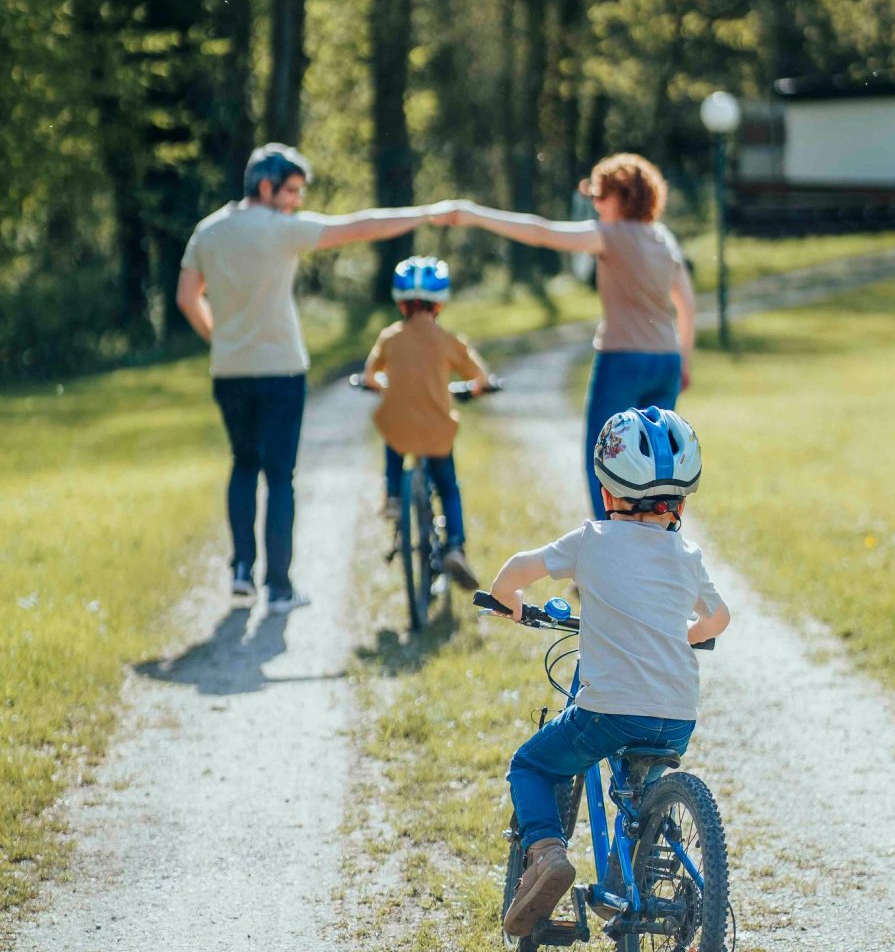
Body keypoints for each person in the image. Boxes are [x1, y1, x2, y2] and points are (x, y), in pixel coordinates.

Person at [488, 406, 730, 937]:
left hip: (609, 714)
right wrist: (680, 635)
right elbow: (718, 620)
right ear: (681, 504)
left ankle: (547, 854)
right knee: (639, 796)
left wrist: (510, 600)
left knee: (531, 765)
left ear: (605, 494)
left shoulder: (592, 540)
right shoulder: (687, 555)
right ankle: (629, 879)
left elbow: (517, 569)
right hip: (677, 717)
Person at [177, 143, 448, 612]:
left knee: (243, 465)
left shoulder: (208, 230)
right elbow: (359, 226)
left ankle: (241, 572)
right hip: (281, 370)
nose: (297, 202)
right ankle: (278, 588)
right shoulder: (281, 229)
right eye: (292, 191)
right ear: (266, 187)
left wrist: (219, 338)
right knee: (280, 476)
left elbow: (187, 297)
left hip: (230, 370)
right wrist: (423, 214)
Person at [433, 153, 696, 520]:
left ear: (623, 197)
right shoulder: (664, 238)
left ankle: (609, 545)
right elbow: (686, 304)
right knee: (658, 463)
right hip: (666, 361)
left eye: (601, 196)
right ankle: (655, 539)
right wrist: (685, 361)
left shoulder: (610, 235)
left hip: (622, 360)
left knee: (604, 459)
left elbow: (541, 232)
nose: (596, 204)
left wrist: (475, 214)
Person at [363, 255, 491, 591]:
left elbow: (370, 376)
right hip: (436, 431)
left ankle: (393, 494)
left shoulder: (389, 338)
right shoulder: (449, 340)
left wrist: (382, 384)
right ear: (439, 304)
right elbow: (480, 377)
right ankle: (455, 546)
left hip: (399, 427)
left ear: (401, 303)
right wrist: (476, 388)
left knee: (394, 434)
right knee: (448, 486)